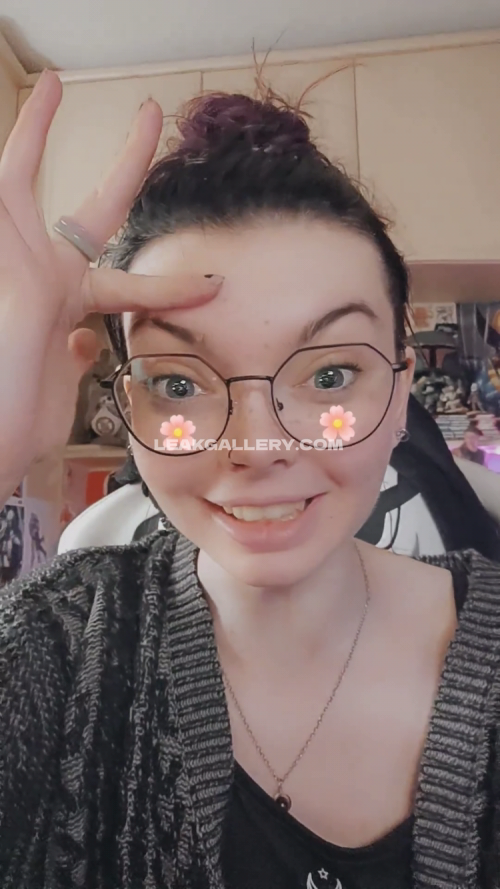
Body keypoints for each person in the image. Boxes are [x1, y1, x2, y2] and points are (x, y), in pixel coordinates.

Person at [1, 70, 500, 889]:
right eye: (178, 382)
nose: (257, 445)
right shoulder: (54, 645)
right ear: (123, 401)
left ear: (401, 393)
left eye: (330, 376)